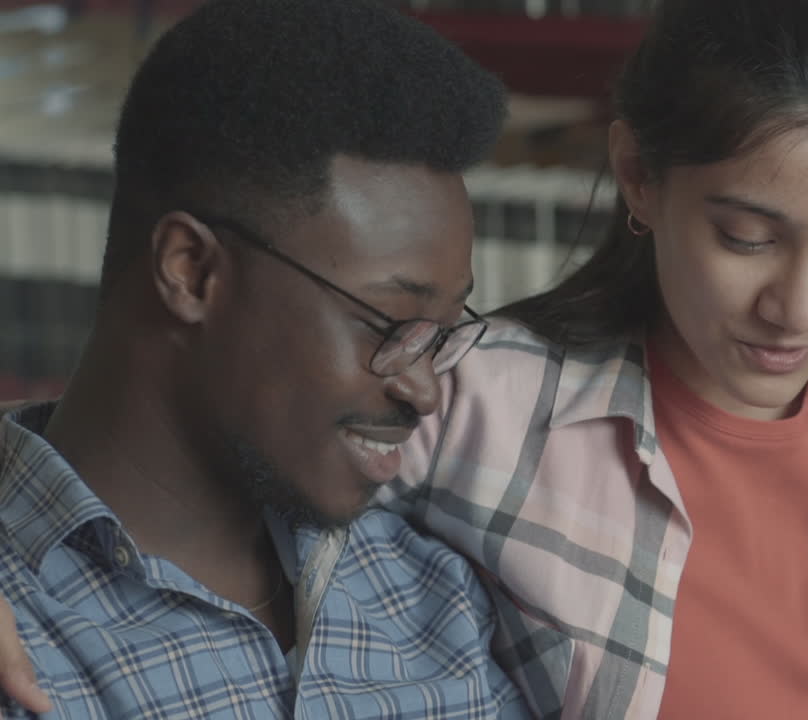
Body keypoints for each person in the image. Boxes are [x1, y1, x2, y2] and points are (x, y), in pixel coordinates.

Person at [1, 0, 808, 717]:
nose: (798, 305)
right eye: (745, 236)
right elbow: (149, 437)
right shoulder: (484, 403)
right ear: (639, 182)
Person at [0, 0, 529, 717]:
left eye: (438, 332)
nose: (424, 390)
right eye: (392, 322)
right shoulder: (22, 638)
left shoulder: (437, 604)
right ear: (191, 271)